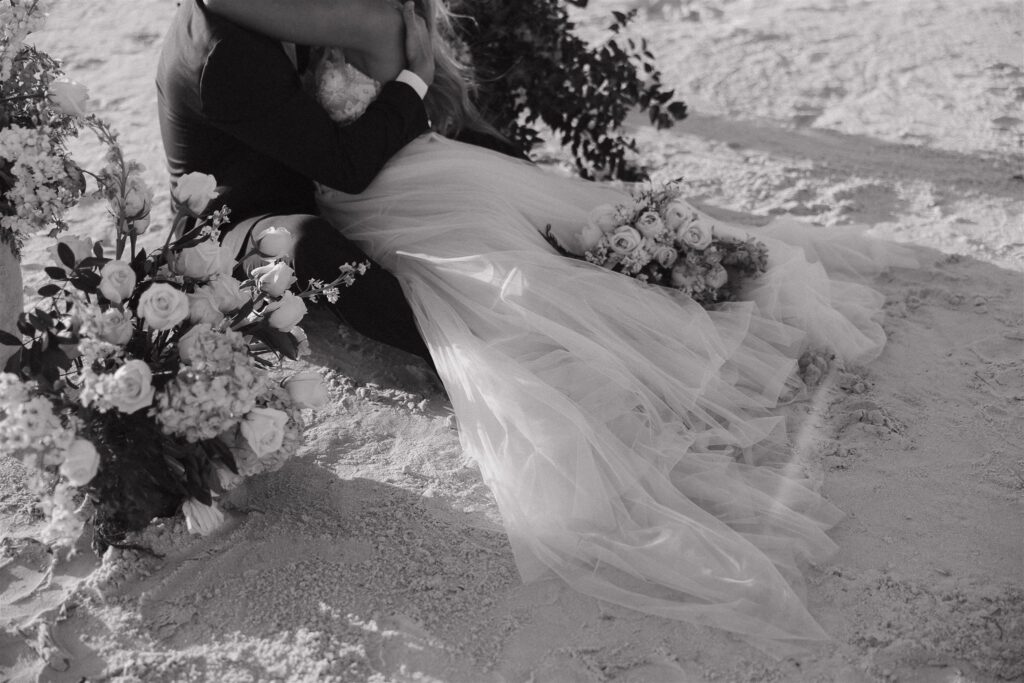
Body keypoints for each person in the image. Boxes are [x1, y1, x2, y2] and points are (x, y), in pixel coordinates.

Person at [203, 0, 917, 652]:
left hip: (394, 178)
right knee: (513, 262)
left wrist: (418, 86)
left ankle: (650, 311)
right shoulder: (301, 31)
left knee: (519, 254)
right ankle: (641, 314)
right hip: (347, 192)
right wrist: (420, 88)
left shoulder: (358, 20)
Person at [156, 0, 442, 365]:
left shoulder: (275, 12)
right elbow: (347, 168)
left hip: (302, 172)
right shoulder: (227, 52)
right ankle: (447, 339)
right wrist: (417, 78)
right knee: (307, 241)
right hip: (232, 222)